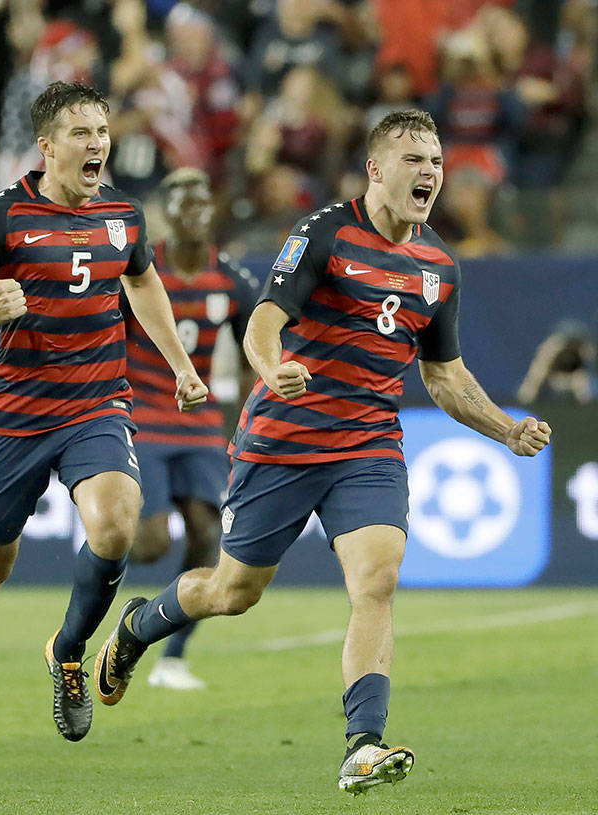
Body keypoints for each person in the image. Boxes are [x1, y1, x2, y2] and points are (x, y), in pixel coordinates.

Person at [95, 109, 553, 795]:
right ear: (375, 168)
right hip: (283, 440)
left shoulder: (439, 266)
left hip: (368, 444)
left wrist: (505, 427)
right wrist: (271, 364)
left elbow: (445, 375)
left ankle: (362, 744)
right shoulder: (324, 233)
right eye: (412, 159)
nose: (428, 171)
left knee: (377, 580)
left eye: (434, 159)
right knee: (231, 591)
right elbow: (262, 322)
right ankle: (136, 627)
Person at [0, 81, 209, 779]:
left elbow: (141, 282)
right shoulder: (2, 217)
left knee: (117, 525)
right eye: (81, 132)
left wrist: (180, 364)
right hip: (14, 417)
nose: (97, 143)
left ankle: (69, 652)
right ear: (46, 145)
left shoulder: (124, 216)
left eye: (101, 130)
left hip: (95, 406)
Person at [123, 168, 258, 691]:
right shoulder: (140, 268)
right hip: (145, 418)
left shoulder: (229, 279)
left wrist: (248, 415)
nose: (196, 211)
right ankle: (107, 531)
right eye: (184, 203)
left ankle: (171, 656)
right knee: (150, 545)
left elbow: (255, 350)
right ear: (166, 212)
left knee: (208, 535)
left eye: (203, 203)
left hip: (200, 421)